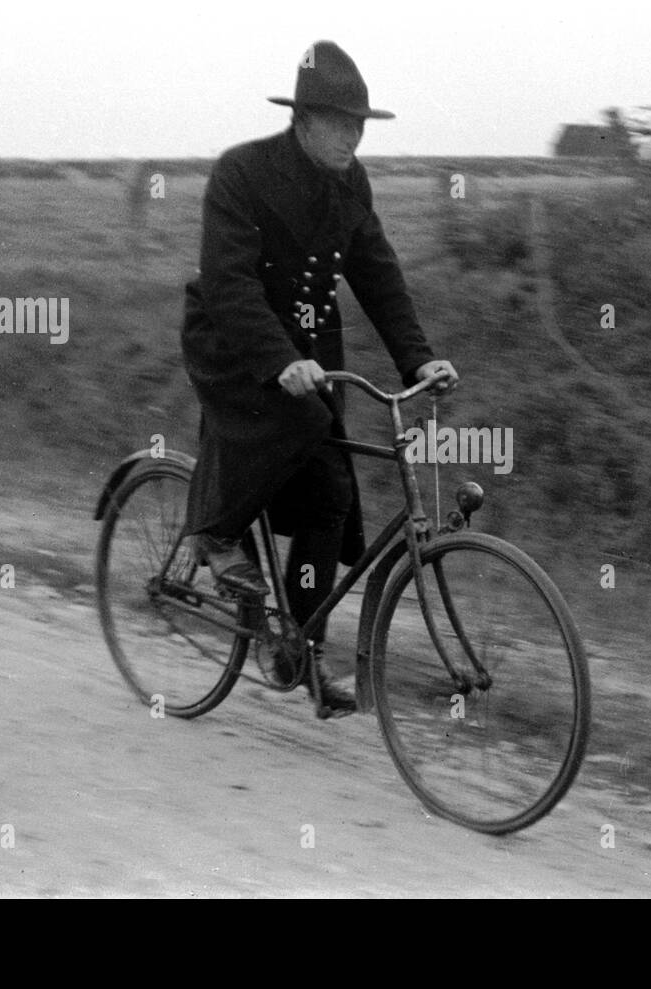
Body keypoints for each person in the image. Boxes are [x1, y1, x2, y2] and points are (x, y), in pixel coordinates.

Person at [180, 40, 457, 715]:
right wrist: (279, 360)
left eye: (360, 124)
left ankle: (299, 649)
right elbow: (230, 281)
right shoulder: (242, 173)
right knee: (299, 423)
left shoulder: (350, 184)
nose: (352, 136)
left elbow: (377, 272)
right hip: (232, 341)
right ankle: (215, 531)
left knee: (331, 490)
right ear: (302, 120)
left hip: (307, 349)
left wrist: (417, 357)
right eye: (339, 122)